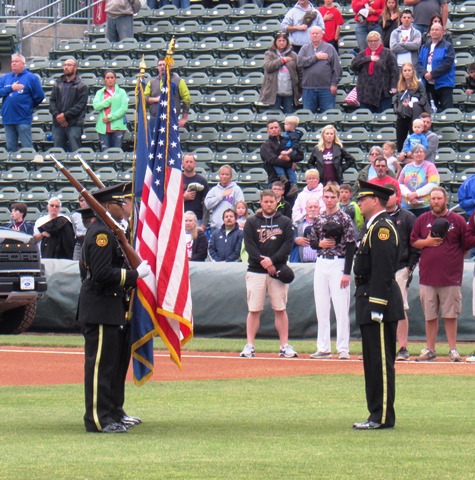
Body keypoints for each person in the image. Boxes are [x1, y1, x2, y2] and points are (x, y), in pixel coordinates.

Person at [78, 183, 151, 434]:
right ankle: (98, 419)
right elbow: (99, 274)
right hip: (100, 308)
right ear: (106, 206)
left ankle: (112, 412)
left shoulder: (110, 231)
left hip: (111, 307)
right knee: (100, 367)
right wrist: (133, 275)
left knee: (112, 365)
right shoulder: (101, 234)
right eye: (119, 203)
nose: (123, 207)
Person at [352, 180, 404, 430]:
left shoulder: (382, 228)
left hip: (377, 302)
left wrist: (378, 305)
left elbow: (383, 270)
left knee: (381, 363)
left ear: (375, 201)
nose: (359, 202)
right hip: (367, 299)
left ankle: (382, 416)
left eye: (363, 198)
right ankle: (375, 413)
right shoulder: (372, 228)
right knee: (372, 362)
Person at [410, 187, 467, 362]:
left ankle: (452, 349)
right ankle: (430, 349)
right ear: (429, 200)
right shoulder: (422, 219)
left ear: (445, 200)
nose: (436, 201)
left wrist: (452, 259)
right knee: (430, 315)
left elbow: (465, 246)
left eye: (439, 198)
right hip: (427, 276)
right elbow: (413, 242)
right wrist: (427, 242)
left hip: (450, 277)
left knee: (450, 315)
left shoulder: (457, 220)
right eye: (433, 198)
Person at [240, 189, 297, 358]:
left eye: (271, 202)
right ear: (260, 203)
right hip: (256, 271)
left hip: (277, 271)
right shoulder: (251, 222)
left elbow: (287, 245)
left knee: (280, 308)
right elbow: (250, 246)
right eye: (265, 202)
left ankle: (284, 345)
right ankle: (249, 345)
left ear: (276, 202)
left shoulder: (285, 222)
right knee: (254, 309)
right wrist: (264, 262)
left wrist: (272, 261)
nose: (268, 204)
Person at [308, 183, 356, 360]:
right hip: (321, 262)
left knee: (341, 307)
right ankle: (323, 347)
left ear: (338, 198)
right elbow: (312, 241)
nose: (329, 200)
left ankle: (343, 348)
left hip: (339, 262)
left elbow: (351, 245)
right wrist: (318, 244)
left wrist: (346, 272)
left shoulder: (344, 218)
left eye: (332, 197)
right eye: (326, 197)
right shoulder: (319, 218)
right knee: (321, 306)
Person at [384, 184, 420, 361]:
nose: (388, 198)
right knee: (378, 307)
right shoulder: (377, 217)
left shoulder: (407, 217)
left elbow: (415, 243)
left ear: (397, 196)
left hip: (400, 267)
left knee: (400, 307)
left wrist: (410, 266)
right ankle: (383, 346)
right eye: (385, 195)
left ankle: (403, 347)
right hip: (381, 268)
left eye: (391, 195)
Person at [0, 53, 45, 152]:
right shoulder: (5, 78)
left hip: (23, 118)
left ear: (23, 64)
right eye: (12, 62)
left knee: (27, 147)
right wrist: (11, 88)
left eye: (16, 61)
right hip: (8, 118)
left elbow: (40, 96)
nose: (14, 64)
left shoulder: (31, 78)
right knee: (10, 148)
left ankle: (28, 165)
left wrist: (28, 106)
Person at [297, 26, 342, 113]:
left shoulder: (329, 48)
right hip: (308, 89)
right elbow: (300, 62)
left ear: (321, 35)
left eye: (317, 33)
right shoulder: (305, 48)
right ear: (310, 35)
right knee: (308, 116)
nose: (315, 35)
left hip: (326, 89)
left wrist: (334, 84)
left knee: (328, 115)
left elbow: (336, 68)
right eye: (312, 33)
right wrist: (315, 57)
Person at [351, 31, 399, 113]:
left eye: (375, 40)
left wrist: (394, 86)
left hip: (383, 92)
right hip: (365, 93)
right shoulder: (363, 54)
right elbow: (353, 65)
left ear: (380, 41)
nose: (373, 43)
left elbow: (394, 70)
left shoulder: (387, 53)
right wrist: (368, 59)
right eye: (370, 41)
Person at [49, 58, 89, 152]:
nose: (66, 67)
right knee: (58, 152)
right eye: (65, 65)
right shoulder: (57, 83)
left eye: (69, 65)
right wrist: (58, 116)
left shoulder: (82, 86)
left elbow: (80, 105)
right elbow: (52, 101)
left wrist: (65, 116)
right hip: (58, 124)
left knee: (76, 152)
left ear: (75, 68)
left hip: (74, 124)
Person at [416, 22, 455, 112]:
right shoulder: (424, 47)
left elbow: (447, 64)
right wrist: (425, 74)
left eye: (437, 30)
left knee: (447, 109)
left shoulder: (448, 46)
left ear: (442, 32)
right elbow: (419, 63)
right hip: (428, 84)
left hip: (444, 84)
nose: (434, 32)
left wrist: (432, 74)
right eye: (432, 30)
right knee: (430, 110)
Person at [259, 32, 302, 114]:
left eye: (283, 40)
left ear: (287, 42)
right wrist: (282, 60)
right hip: (274, 93)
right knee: (274, 117)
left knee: (289, 117)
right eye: (279, 40)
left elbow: (300, 72)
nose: (281, 42)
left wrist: (300, 89)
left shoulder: (293, 55)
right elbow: (268, 67)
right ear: (275, 42)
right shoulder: (269, 54)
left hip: (289, 92)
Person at [393, 62, 429, 152]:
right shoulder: (400, 84)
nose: (407, 72)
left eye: (409, 70)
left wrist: (414, 104)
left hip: (413, 116)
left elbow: (424, 98)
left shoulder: (419, 84)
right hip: (401, 116)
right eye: (405, 70)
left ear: (413, 71)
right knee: (400, 141)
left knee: (415, 141)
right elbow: (397, 99)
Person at [145, 58, 191, 129]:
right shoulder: (151, 83)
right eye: (160, 65)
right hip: (154, 120)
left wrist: (184, 118)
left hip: (171, 119)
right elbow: (144, 98)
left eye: (164, 65)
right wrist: (156, 99)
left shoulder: (179, 81)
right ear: (157, 67)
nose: (162, 67)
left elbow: (186, 99)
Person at [260, 119, 304, 191]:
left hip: (290, 182)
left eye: (276, 127)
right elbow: (273, 160)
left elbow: (300, 155)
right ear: (267, 130)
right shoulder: (265, 145)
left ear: (280, 128)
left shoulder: (288, 140)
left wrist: (289, 158)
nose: (274, 130)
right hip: (274, 181)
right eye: (271, 128)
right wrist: (290, 164)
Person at [398, 144, 440, 216]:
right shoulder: (407, 167)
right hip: (407, 207)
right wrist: (409, 196)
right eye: (416, 152)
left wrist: (416, 194)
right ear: (412, 154)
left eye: (421, 152)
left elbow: (433, 184)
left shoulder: (430, 166)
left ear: (425, 154)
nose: (419, 154)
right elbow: (400, 184)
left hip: (424, 206)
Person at [93, 70, 128, 152]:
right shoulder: (99, 93)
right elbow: (96, 106)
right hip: (103, 128)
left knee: (117, 151)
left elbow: (123, 108)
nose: (110, 79)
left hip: (118, 127)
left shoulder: (121, 92)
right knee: (105, 151)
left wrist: (110, 118)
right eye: (107, 78)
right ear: (104, 79)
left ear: (115, 79)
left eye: (112, 77)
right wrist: (108, 101)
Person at [204, 165, 244, 232]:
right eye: (222, 174)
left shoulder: (236, 189)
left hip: (231, 227)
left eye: (227, 174)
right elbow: (208, 205)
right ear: (219, 175)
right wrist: (221, 195)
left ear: (230, 176)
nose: (224, 176)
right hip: (216, 227)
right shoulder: (214, 190)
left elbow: (241, 208)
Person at [275, 115, 303, 196]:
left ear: (292, 126)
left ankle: (282, 176)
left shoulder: (293, 135)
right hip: (287, 151)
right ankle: (293, 184)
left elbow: (295, 145)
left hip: (289, 152)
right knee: (290, 169)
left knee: (277, 162)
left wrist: (287, 153)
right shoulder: (288, 134)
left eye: (286, 124)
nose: (284, 126)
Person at [182, 153, 209, 227]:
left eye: (191, 162)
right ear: (182, 164)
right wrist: (183, 198)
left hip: (198, 219)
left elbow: (206, 204)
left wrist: (204, 224)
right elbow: (171, 200)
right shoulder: (177, 179)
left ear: (195, 164)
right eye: (187, 162)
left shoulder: (202, 181)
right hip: (180, 218)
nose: (189, 164)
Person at [292, 198, 320, 263]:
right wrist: (295, 240)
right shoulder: (296, 224)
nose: (313, 209)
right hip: (300, 263)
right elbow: (286, 240)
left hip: (319, 263)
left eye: (315, 207)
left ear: (319, 209)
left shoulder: (324, 224)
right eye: (310, 207)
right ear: (306, 209)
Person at [71, 195, 88, 261]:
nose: (83, 202)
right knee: (75, 262)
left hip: (90, 241)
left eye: (85, 200)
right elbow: (74, 230)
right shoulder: (75, 215)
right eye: (81, 201)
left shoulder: (95, 213)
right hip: (79, 242)